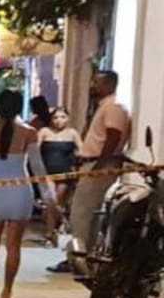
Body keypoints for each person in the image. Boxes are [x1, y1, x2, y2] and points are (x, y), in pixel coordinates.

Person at [0, 90, 53, 298]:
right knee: (13, 246)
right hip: (20, 192)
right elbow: (37, 167)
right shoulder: (29, 133)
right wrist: (48, 196)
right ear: (19, 109)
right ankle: (7, 292)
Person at [51, 70, 131, 274]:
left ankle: (80, 258)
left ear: (109, 85)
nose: (92, 86)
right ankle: (82, 256)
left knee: (83, 211)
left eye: (96, 82)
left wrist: (99, 165)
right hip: (93, 164)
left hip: (99, 166)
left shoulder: (114, 107)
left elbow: (114, 137)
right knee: (87, 212)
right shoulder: (103, 107)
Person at [39, 107, 83, 247]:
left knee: (58, 202)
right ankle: (49, 233)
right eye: (56, 117)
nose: (59, 120)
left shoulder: (72, 134)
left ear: (68, 118)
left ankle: (56, 228)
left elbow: (82, 151)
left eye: (63, 117)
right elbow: (34, 151)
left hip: (65, 173)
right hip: (47, 172)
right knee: (51, 201)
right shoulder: (44, 132)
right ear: (51, 119)